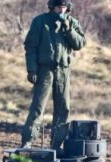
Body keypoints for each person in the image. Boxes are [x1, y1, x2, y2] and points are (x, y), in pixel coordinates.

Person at [20, 0, 86, 151]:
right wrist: (32, 70)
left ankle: (56, 143)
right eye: (58, 7)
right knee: (38, 106)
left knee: (63, 108)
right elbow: (31, 46)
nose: (61, 10)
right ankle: (28, 140)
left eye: (63, 7)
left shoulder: (72, 22)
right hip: (45, 69)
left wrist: (69, 29)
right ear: (51, 7)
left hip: (63, 70)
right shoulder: (40, 21)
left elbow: (80, 43)